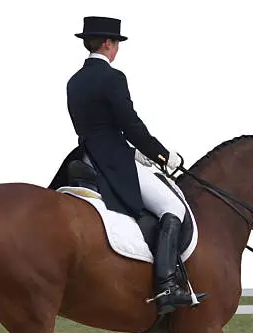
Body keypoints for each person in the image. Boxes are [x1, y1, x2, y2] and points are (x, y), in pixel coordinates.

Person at [65, 16, 206, 315]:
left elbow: (100, 128)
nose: (117, 50)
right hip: (113, 161)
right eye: (116, 43)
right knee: (174, 207)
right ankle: (167, 285)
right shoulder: (113, 78)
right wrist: (163, 155)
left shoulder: (74, 81)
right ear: (107, 43)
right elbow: (131, 126)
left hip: (85, 157)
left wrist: (133, 153)